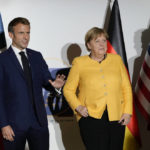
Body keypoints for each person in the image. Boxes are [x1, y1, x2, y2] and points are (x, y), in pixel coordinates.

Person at [0, 17, 65, 150]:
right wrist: (3, 124)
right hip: (13, 125)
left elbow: (47, 80)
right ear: (11, 35)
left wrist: (55, 86)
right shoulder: (2, 60)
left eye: (28, 33)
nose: (26, 37)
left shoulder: (36, 56)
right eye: (21, 33)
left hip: (38, 123)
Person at [63, 27, 133, 150]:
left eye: (104, 40)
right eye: (97, 41)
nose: (102, 44)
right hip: (90, 117)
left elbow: (126, 87)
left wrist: (127, 112)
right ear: (89, 45)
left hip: (117, 117)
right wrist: (78, 107)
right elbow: (68, 90)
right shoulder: (79, 63)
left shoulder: (116, 59)